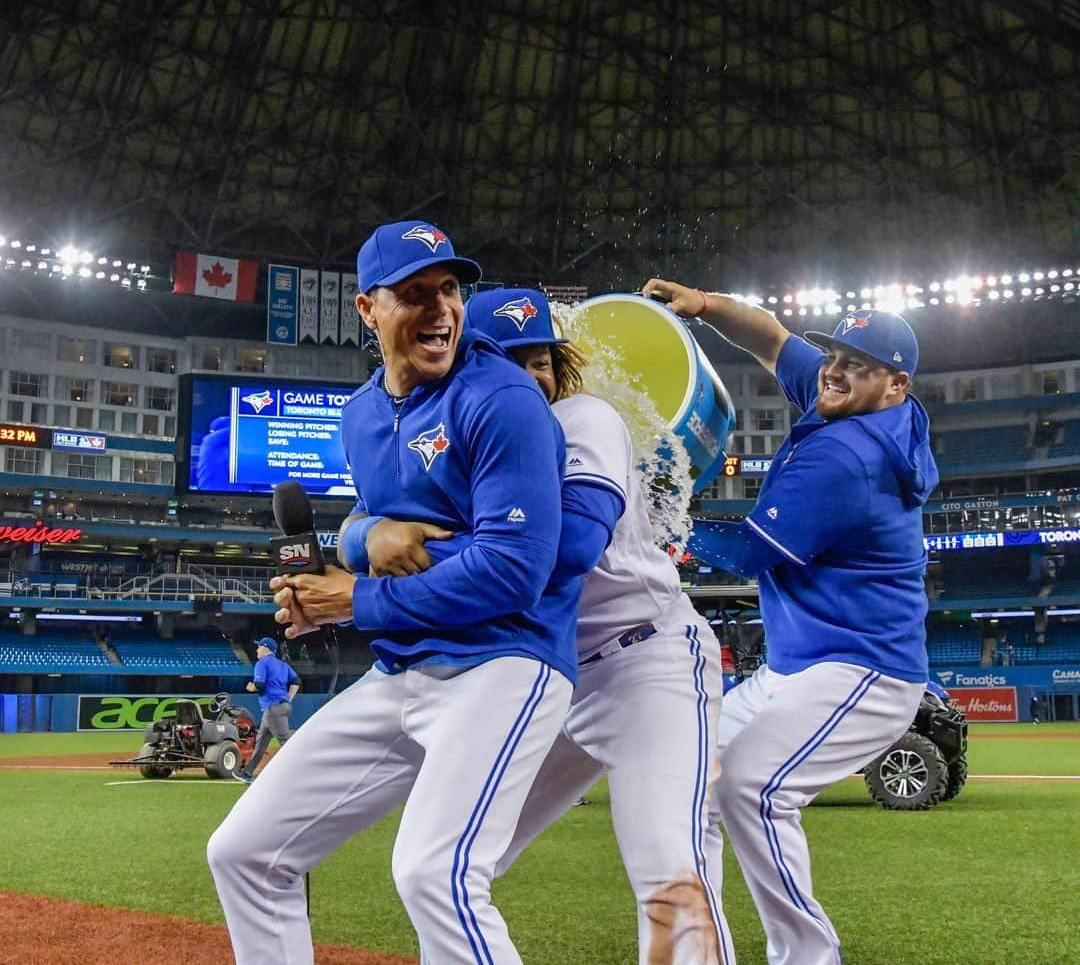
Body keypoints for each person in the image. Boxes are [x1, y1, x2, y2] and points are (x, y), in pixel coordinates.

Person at [207, 222, 576, 965]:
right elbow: (390, 533)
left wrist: (354, 600)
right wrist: (354, 546)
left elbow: (516, 569)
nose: (440, 308)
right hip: (403, 670)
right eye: (415, 294)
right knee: (245, 851)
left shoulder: (502, 396)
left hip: (504, 666)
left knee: (433, 873)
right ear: (366, 309)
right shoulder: (360, 415)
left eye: (449, 289)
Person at [370, 287, 734, 963]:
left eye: (541, 360)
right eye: (510, 359)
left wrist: (432, 546)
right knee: (445, 869)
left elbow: (563, 554)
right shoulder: (460, 445)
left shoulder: (583, 418)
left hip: (642, 663)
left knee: (667, 866)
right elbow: (376, 519)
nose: (531, 376)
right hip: (545, 675)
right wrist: (368, 531)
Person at [643, 278, 938, 965]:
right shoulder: (851, 398)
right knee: (693, 782)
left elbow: (749, 551)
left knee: (751, 784)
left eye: (854, 364)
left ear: (894, 385)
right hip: (799, 669)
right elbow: (773, 337)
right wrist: (708, 307)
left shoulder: (850, 455)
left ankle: (810, 958)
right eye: (834, 354)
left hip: (863, 671)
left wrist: (654, 518)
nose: (832, 370)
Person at [232, 636, 299, 784]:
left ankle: (301, 774)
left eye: (259, 646)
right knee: (260, 742)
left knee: (287, 743)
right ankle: (247, 773)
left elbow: (260, 685)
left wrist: (251, 688)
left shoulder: (262, 663)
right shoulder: (282, 665)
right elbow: (296, 681)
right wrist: (289, 698)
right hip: (277, 707)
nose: (257, 649)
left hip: (273, 708)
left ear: (266, 648)